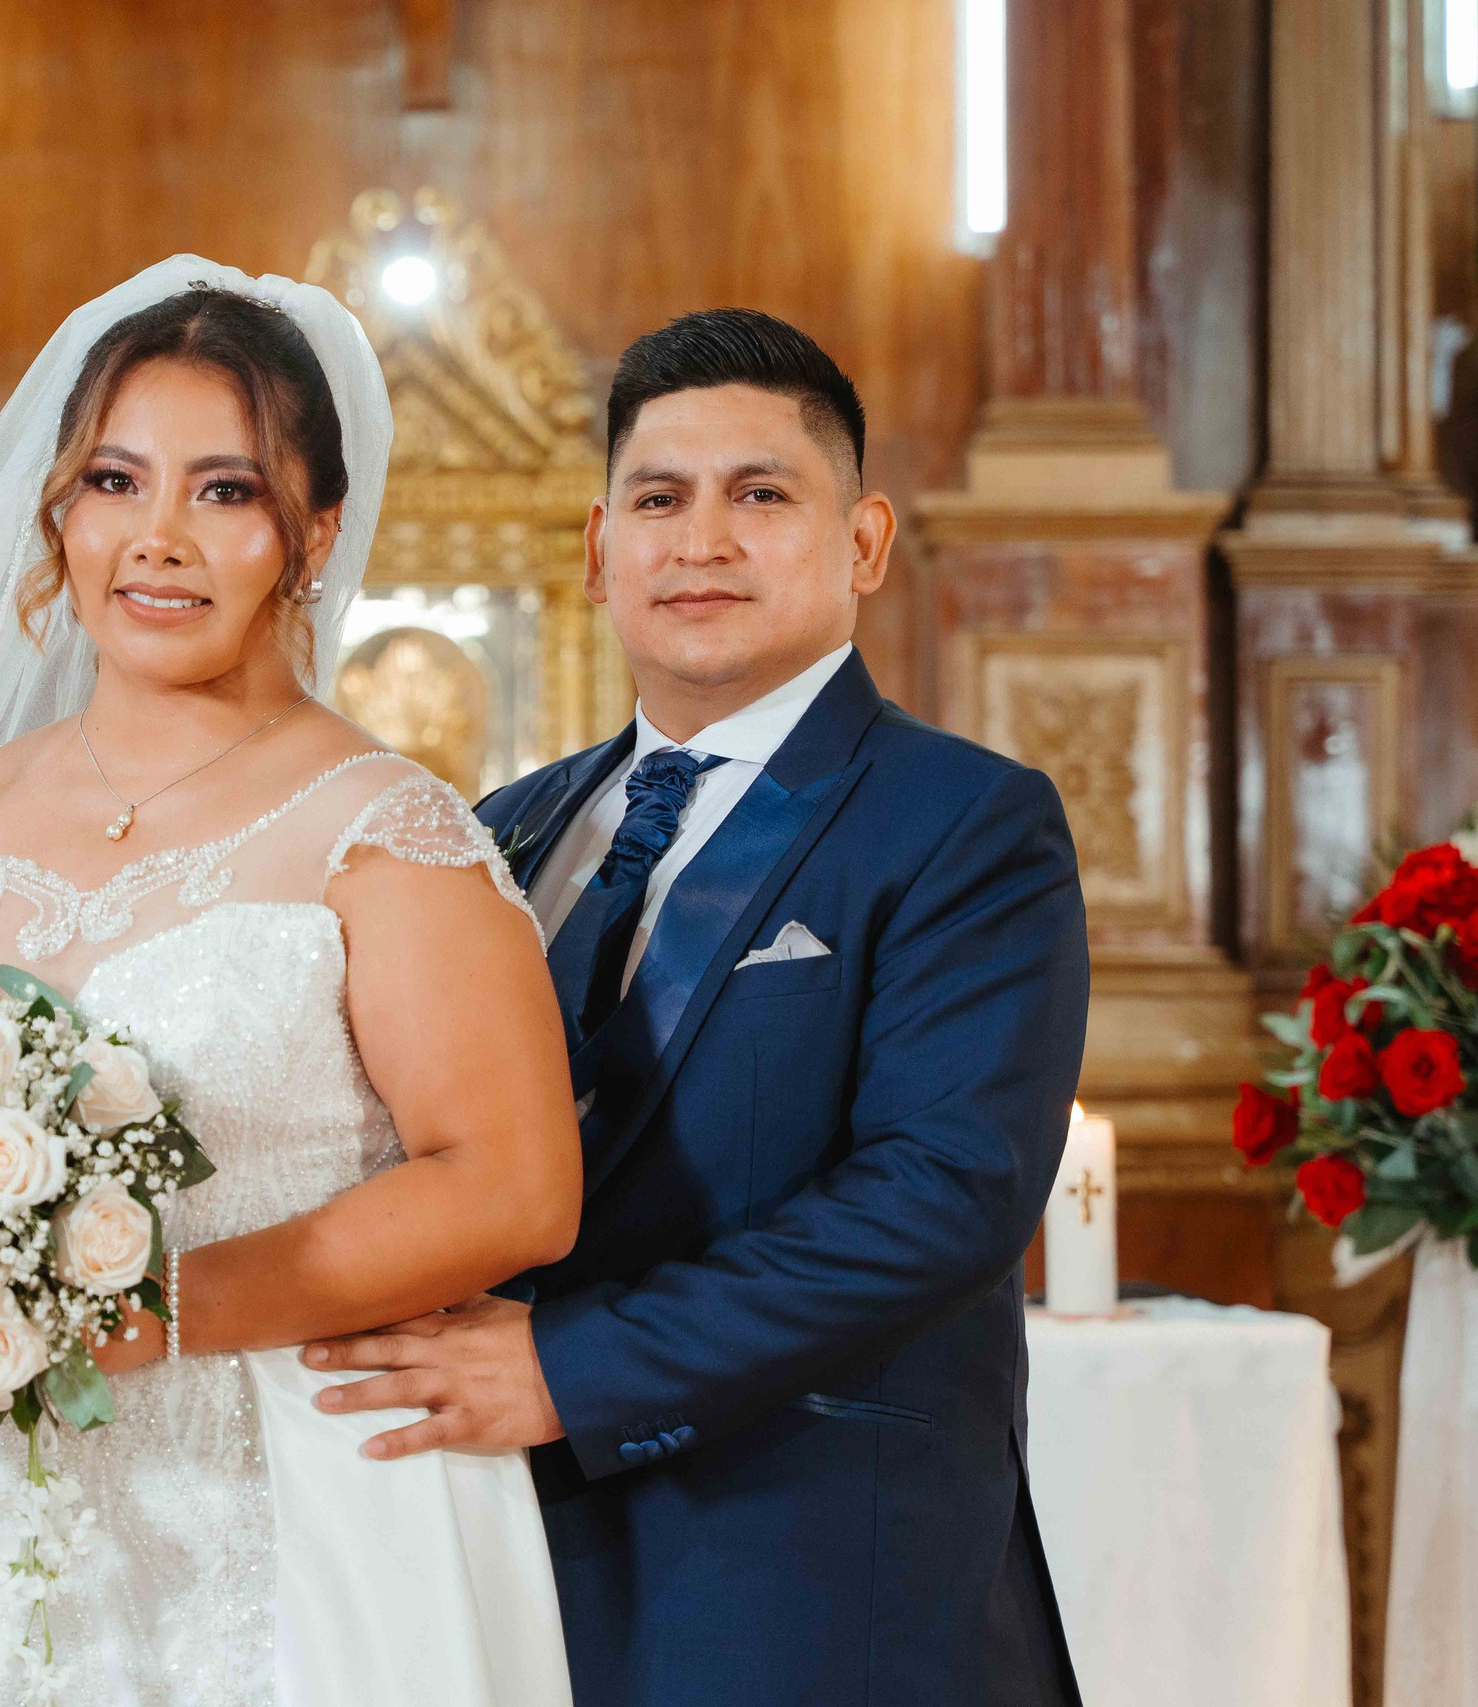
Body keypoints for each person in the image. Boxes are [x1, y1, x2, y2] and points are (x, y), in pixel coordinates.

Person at [0, 259, 581, 1706]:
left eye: (225, 491)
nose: (158, 539)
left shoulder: (386, 831)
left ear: (314, 533)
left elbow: (516, 1187)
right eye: (115, 481)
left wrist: (150, 1303)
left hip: (277, 1517)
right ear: (59, 512)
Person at [306, 309, 1092, 1706]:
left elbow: (940, 1195)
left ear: (863, 543)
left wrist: (571, 1365)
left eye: (762, 495)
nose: (702, 539)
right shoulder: (497, 829)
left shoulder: (965, 823)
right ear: (601, 549)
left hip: (808, 1575)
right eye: (659, 499)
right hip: (499, 1554)